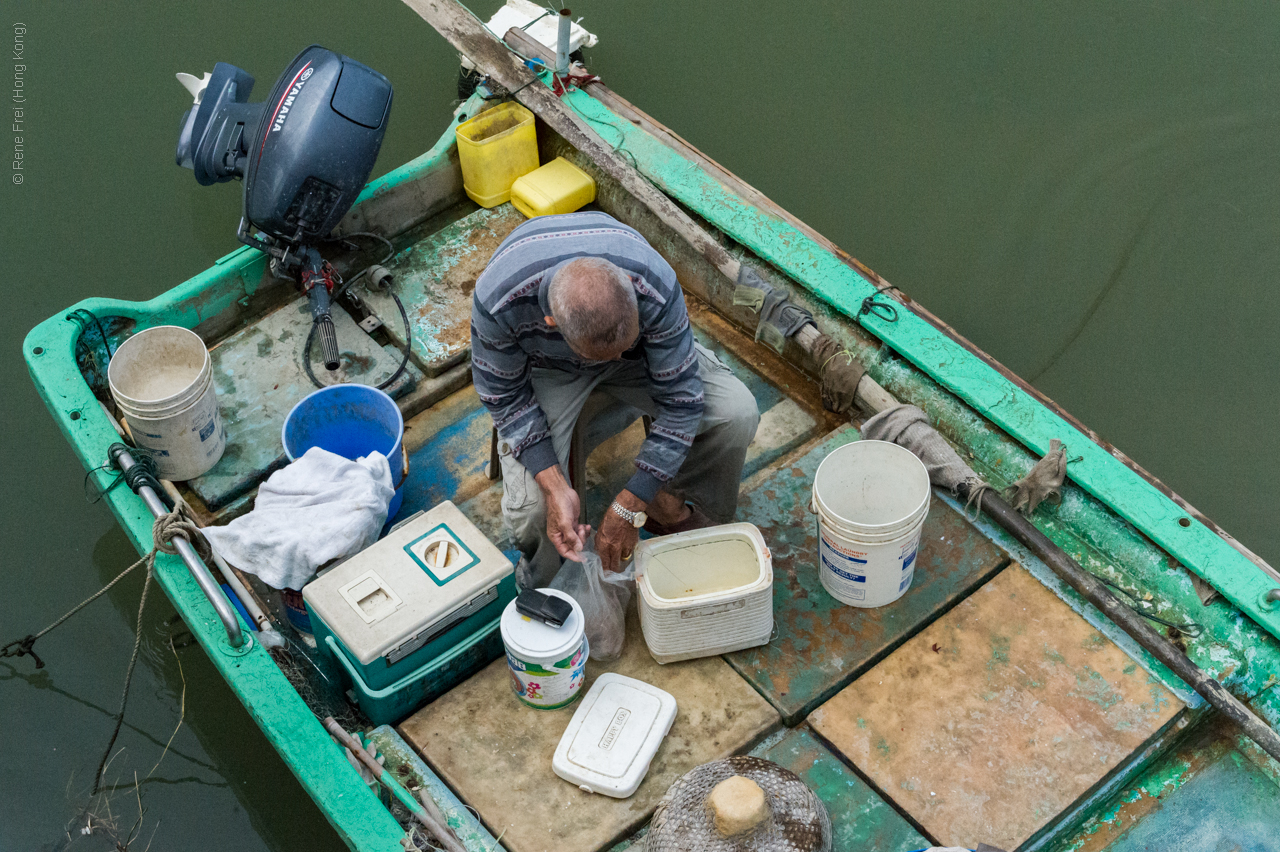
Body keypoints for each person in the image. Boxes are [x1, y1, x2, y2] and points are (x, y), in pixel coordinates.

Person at [471, 211, 760, 583]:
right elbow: (505, 397)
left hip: (641, 361)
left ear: (630, 290)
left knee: (736, 414)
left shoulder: (653, 282)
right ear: (552, 324)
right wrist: (555, 485)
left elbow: (682, 401)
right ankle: (553, 588)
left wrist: (632, 500)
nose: (612, 361)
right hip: (548, 370)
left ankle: (666, 503)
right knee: (533, 510)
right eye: (603, 355)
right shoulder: (498, 299)